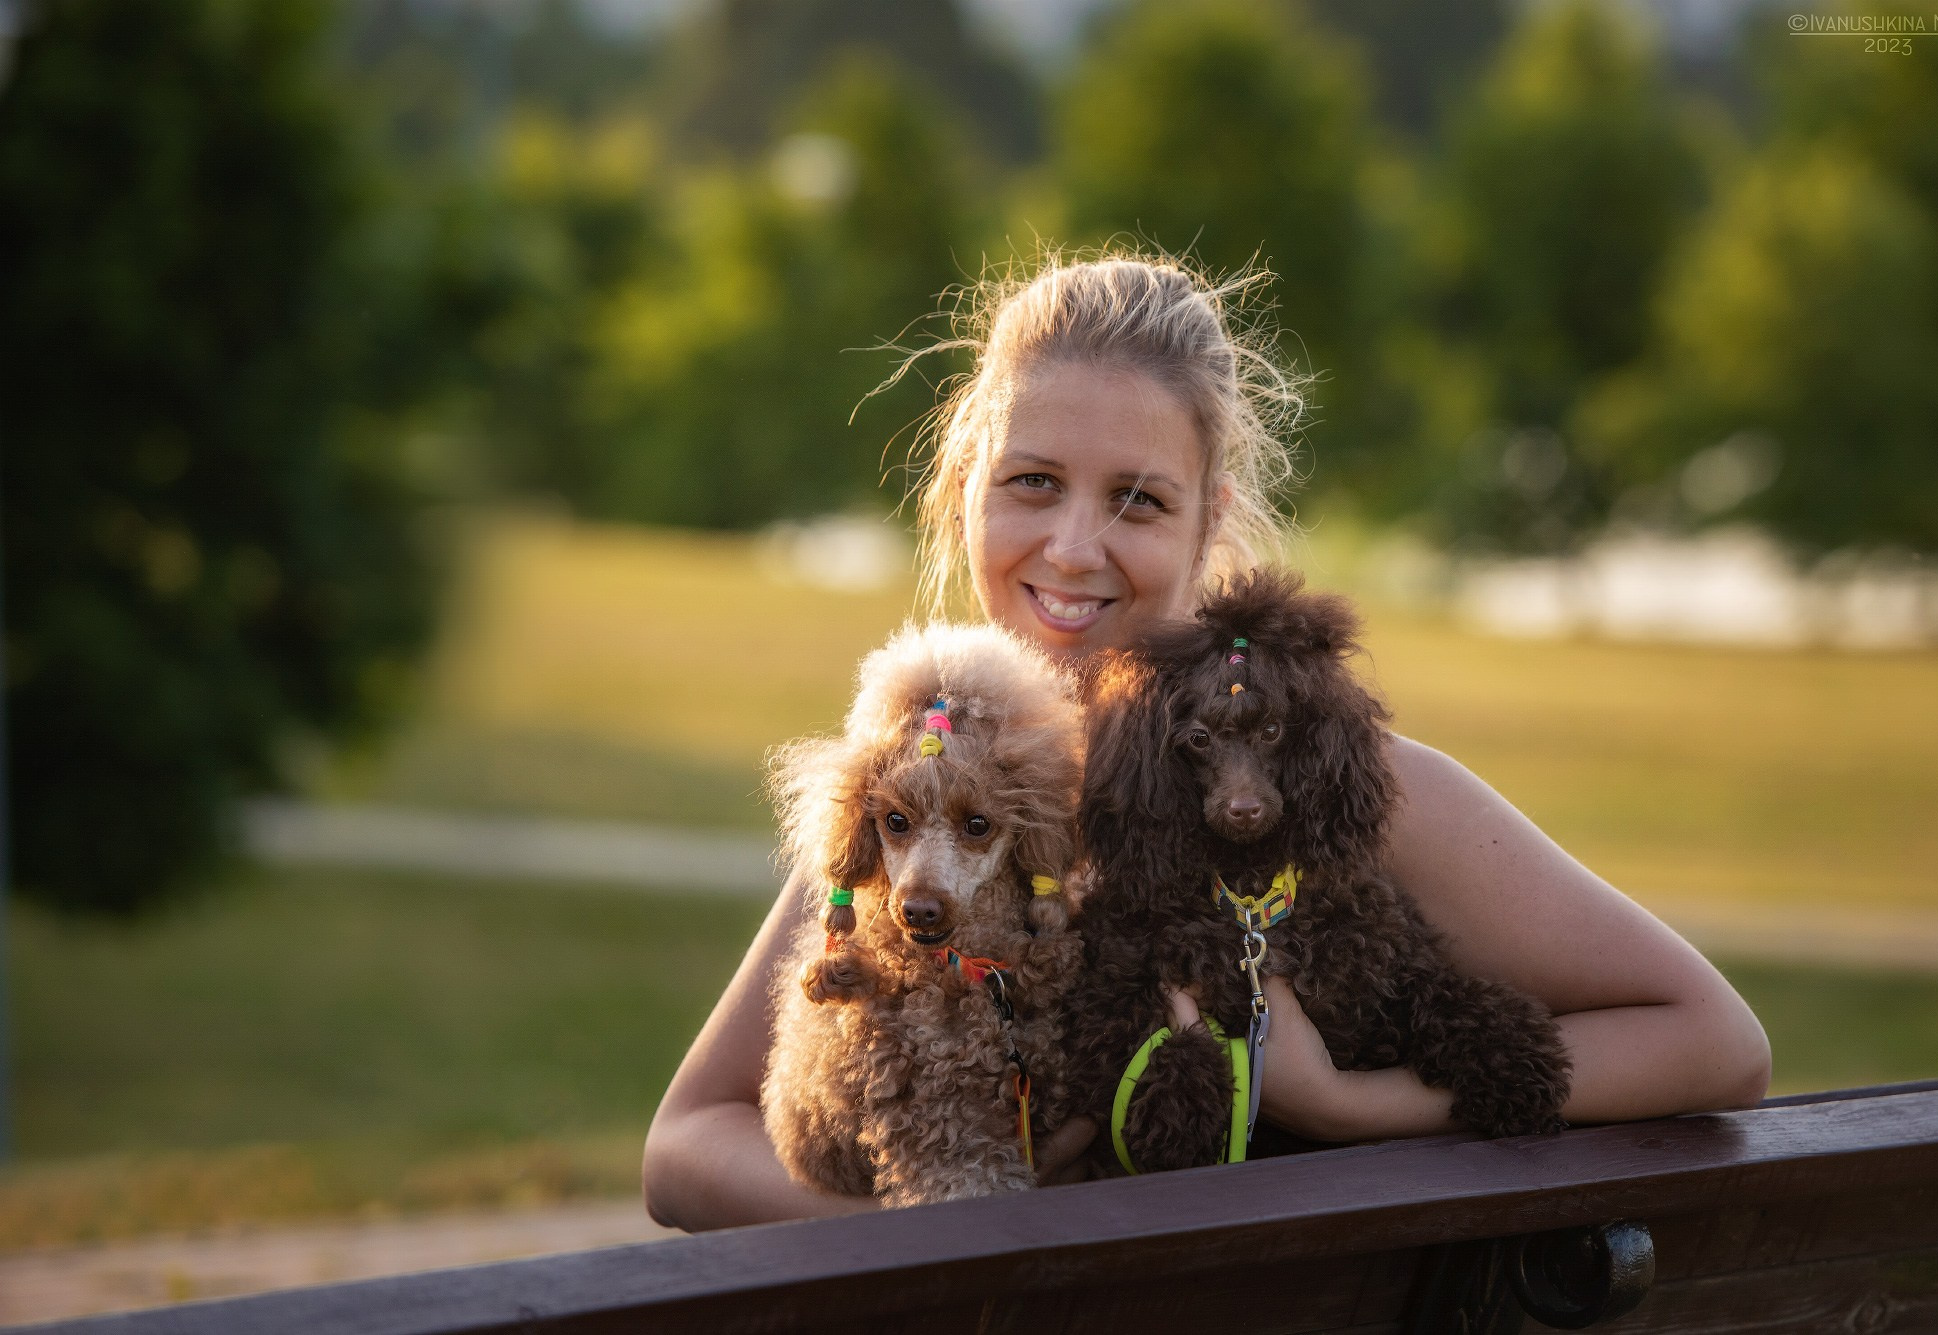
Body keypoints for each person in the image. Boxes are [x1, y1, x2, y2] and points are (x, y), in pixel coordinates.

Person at [642, 255, 1772, 1230]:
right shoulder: (918, 790)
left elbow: (1713, 1040)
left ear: (1209, 522)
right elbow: (687, 1142)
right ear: (962, 490)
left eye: (1136, 501)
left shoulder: (1331, 791)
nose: (1072, 547)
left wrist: (1350, 1106)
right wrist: (953, 1222)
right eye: (1032, 483)